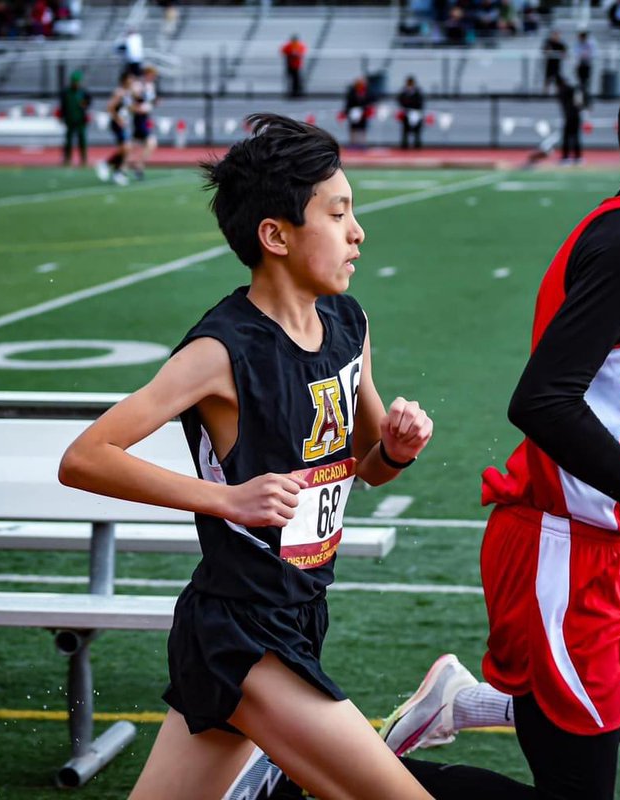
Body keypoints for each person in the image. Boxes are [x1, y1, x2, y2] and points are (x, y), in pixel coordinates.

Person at [384, 51, 620, 799]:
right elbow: (541, 402)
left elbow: (588, 399)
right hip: (559, 554)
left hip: (609, 556)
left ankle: (449, 710)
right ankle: (329, 777)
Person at [59, 113, 436, 800]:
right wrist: (225, 498)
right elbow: (85, 457)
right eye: (340, 213)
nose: (359, 232)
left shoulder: (349, 324)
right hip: (240, 631)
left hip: (298, 611)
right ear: (276, 235)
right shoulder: (221, 351)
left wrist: (398, 450)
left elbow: (366, 465)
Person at [96, 71, 133, 186]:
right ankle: (107, 165)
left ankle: (116, 172)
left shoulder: (128, 93)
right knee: (126, 148)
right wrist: (118, 119)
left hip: (124, 123)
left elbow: (128, 108)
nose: (132, 81)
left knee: (126, 149)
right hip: (117, 124)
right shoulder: (119, 92)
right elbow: (110, 107)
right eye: (130, 79)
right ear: (124, 80)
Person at [128, 65, 158, 181]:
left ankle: (123, 167)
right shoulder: (138, 85)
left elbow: (149, 101)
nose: (153, 78)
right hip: (139, 117)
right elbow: (134, 100)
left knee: (133, 145)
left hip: (145, 117)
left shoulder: (150, 86)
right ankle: (137, 166)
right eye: (152, 75)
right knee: (151, 142)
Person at [58, 69, 91, 167]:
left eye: (78, 81)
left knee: (82, 139)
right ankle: (67, 158)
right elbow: (62, 106)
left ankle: (83, 159)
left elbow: (88, 102)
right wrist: (61, 117)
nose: (76, 83)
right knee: (68, 140)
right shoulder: (66, 92)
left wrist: (85, 105)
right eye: (75, 81)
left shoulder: (83, 92)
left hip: (81, 120)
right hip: (69, 119)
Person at [556, 73, 585, 164]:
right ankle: (576, 157)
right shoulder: (566, 90)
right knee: (573, 137)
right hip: (573, 116)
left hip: (571, 116)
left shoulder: (564, 91)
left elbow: (578, 98)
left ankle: (568, 157)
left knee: (568, 137)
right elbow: (578, 97)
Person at [343, 76, 372, 149]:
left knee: (362, 128)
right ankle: (353, 143)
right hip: (353, 112)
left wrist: (366, 109)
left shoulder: (366, 91)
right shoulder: (352, 91)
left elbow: (369, 101)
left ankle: (362, 143)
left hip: (363, 113)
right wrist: (347, 111)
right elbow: (348, 102)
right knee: (353, 128)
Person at [397, 75, 424, 149]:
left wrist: (416, 109)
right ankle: (404, 144)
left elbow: (420, 101)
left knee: (417, 130)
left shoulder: (417, 91)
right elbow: (400, 100)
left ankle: (417, 144)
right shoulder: (404, 91)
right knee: (405, 129)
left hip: (416, 112)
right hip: (406, 112)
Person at [280, 34, 307, 99]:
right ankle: (292, 92)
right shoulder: (289, 46)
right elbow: (283, 51)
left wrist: (295, 54)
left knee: (297, 80)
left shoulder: (299, 46)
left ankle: (297, 92)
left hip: (296, 65)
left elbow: (301, 53)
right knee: (291, 79)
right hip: (290, 64)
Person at [541, 29, 566, 93]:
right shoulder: (548, 42)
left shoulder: (561, 44)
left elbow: (564, 53)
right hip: (549, 63)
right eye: (554, 35)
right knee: (547, 77)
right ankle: (545, 91)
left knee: (557, 78)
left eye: (557, 35)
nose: (555, 36)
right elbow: (544, 50)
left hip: (557, 63)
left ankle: (557, 91)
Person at [574, 29, 596, 100]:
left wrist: (585, 55)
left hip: (587, 64)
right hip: (580, 64)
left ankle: (586, 95)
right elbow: (576, 53)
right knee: (580, 81)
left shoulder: (590, 43)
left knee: (586, 80)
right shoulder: (578, 44)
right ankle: (581, 95)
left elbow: (593, 53)